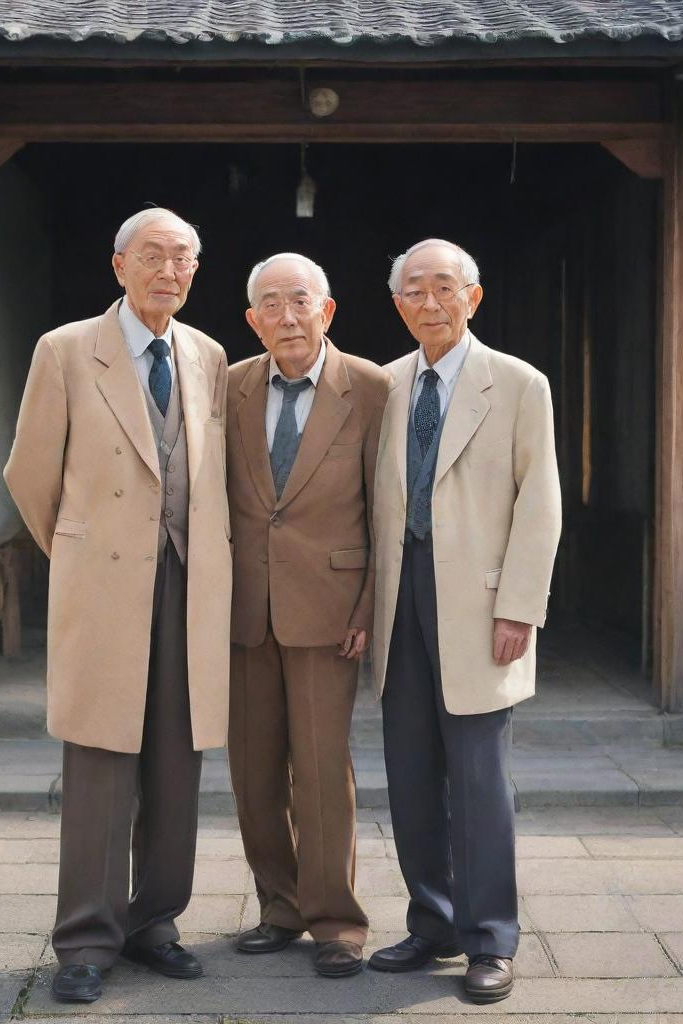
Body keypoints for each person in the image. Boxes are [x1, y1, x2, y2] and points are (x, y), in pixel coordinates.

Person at [4, 208, 231, 1004]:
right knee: (100, 761)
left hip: (188, 580)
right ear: (118, 265)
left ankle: (155, 923)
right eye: (153, 256)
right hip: (103, 583)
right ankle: (86, 941)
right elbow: (30, 475)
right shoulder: (66, 350)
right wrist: (80, 550)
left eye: (184, 259)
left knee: (178, 757)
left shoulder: (207, 354)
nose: (169, 271)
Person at [367, 239, 562, 1004]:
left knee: (480, 778)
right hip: (398, 596)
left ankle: (490, 939)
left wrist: (520, 605)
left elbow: (539, 501)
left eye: (444, 287)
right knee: (410, 772)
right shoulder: (384, 385)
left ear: (472, 298)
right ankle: (433, 921)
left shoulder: (517, 384)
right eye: (414, 291)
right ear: (398, 305)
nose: (430, 302)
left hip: (482, 604)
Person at [225, 253, 389, 977]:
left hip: (330, 608)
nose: (286, 316)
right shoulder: (227, 386)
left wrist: (368, 604)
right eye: (271, 304)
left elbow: (391, 508)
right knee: (252, 769)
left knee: (321, 770)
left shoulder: (374, 388)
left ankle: (335, 922)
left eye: (300, 302)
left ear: (327, 311)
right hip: (243, 605)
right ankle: (278, 907)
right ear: (252, 319)